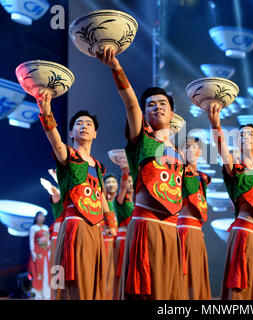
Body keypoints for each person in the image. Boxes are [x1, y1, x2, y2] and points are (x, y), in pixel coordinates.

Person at [96, 46, 184, 300]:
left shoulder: (177, 152)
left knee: (168, 292)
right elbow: (131, 103)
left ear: (172, 112)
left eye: (163, 103)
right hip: (146, 225)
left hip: (171, 228)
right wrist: (116, 68)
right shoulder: (141, 139)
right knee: (146, 291)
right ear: (145, 114)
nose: (157, 107)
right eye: (151, 105)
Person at [36, 92, 117, 300]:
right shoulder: (68, 155)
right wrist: (47, 114)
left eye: (88, 124)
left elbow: (100, 197)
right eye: (79, 123)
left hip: (95, 229)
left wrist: (110, 221)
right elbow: (55, 141)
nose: (84, 126)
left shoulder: (98, 167)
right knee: (72, 282)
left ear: (95, 133)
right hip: (74, 227)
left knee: (92, 281)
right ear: (72, 132)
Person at [208, 104, 253, 300]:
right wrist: (215, 124)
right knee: (241, 292)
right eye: (242, 134)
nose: (246, 136)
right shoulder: (235, 167)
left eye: (251, 134)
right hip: (244, 232)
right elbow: (221, 150)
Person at [178, 136, 212, 299]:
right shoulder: (179, 173)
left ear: (199, 152)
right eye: (186, 147)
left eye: (193, 147)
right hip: (183, 230)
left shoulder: (202, 177)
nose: (190, 150)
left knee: (198, 274)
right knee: (184, 275)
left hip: (197, 231)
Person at [113, 167, 134, 300]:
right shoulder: (121, 199)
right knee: (121, 274)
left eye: (132, 182)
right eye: (128, 182)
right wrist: (125, 174)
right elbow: (122, 187)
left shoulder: (136, 201)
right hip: (123, 240)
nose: (130, 184)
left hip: (133, 240)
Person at [101, 174, 119, 299]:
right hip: (106, 242)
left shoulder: (120, 201)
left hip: (119, 244)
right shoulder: (103, 202)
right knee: (106, 273)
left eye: (113, 182)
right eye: (108, 182)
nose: (111, 184)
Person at [28, 211, 50, 299]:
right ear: (36, 217)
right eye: (39, 216)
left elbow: (48, 241)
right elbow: (31, 240)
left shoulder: (46, 227)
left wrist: (49, 251)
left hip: (45, 253)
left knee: (45, 272)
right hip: (37, 253)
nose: (41, 218)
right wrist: (32, 252)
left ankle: (46, 293)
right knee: (36, 272)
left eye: (43, 216)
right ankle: (37, 294)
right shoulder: (33, 228)